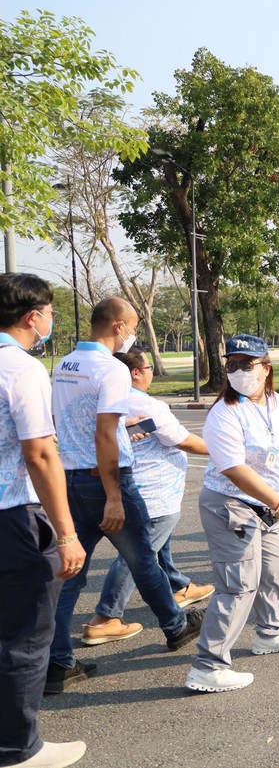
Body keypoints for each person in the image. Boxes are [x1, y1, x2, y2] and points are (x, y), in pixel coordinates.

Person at [49, 297, 203, 695]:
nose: (132, 334)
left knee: (71, 573)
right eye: (132, 327)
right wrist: (114, 495)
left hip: (71, 478)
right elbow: (105, 435)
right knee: (143, 561)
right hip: (106, 479)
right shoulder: (111, 369)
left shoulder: (65, 364)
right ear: (119, 326)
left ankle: (58, 661)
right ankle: (176, 626)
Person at [185, 334, 279, 694]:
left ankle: (270, 632)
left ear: (266, 368)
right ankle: (208, 666)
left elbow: (277, 449)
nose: (238, 370)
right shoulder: (224, 412)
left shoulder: (274, 401)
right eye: (232, 364)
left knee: (276, 568)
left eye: (247, 364)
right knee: (238, 585)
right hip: (231, 504)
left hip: (270, 502)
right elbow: (234, 470)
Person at [0, 274, 88, 768]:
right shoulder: (21, 369)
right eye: (51, 312)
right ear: (33, 316)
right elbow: (39, 453)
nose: (51, 320)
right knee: (27, 634)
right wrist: (67, 533)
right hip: (13, 514)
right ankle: (17, 750)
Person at [85, 348, 214, 645]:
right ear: (135, 373)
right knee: (138, 556)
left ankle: (177, 587)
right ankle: (105, 618)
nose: (152, 372)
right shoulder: (146, 404)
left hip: (132, 489)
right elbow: (184, 441)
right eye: (149, 367)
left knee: (156, 546)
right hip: (154, 495)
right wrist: (223, 450)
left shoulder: (104, 401)